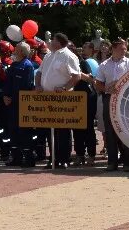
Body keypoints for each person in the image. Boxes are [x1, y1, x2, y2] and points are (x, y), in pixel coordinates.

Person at [37, 33, 81, 170]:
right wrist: (38, 85)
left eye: (53, 40)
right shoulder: (49, 55)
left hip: (63, 98)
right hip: (47, 97)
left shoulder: (68, 55)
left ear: (59, 42)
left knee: (63, 129)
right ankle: (53, 158)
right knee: (50, 129)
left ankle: (63, 159)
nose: (50, 42)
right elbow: (39, 72)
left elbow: (76, 75)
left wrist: (64, 88)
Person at [94, 38, 129, 172]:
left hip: (125, 100)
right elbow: (98, 83)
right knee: (110, 130)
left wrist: (121, 84)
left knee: (126, 129)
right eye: (122, 49)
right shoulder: (104, 65)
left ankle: (128, 162)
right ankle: (112, 162)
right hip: (109, 99)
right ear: (114, 49)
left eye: (125, 49)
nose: (125, 51)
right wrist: (107, 88)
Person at [4, 41, 38, 167]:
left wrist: (13, 97)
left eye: (17, 49)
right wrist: (6, 96)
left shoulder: (27, 66)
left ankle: (28, 158)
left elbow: (27, 86)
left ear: (22, 52)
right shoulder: (14, 65)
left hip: (22, 104)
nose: (14, 50)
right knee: (13, 131)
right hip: (12, 104)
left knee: (24, 132)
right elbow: (8, 83)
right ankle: (16, 157)